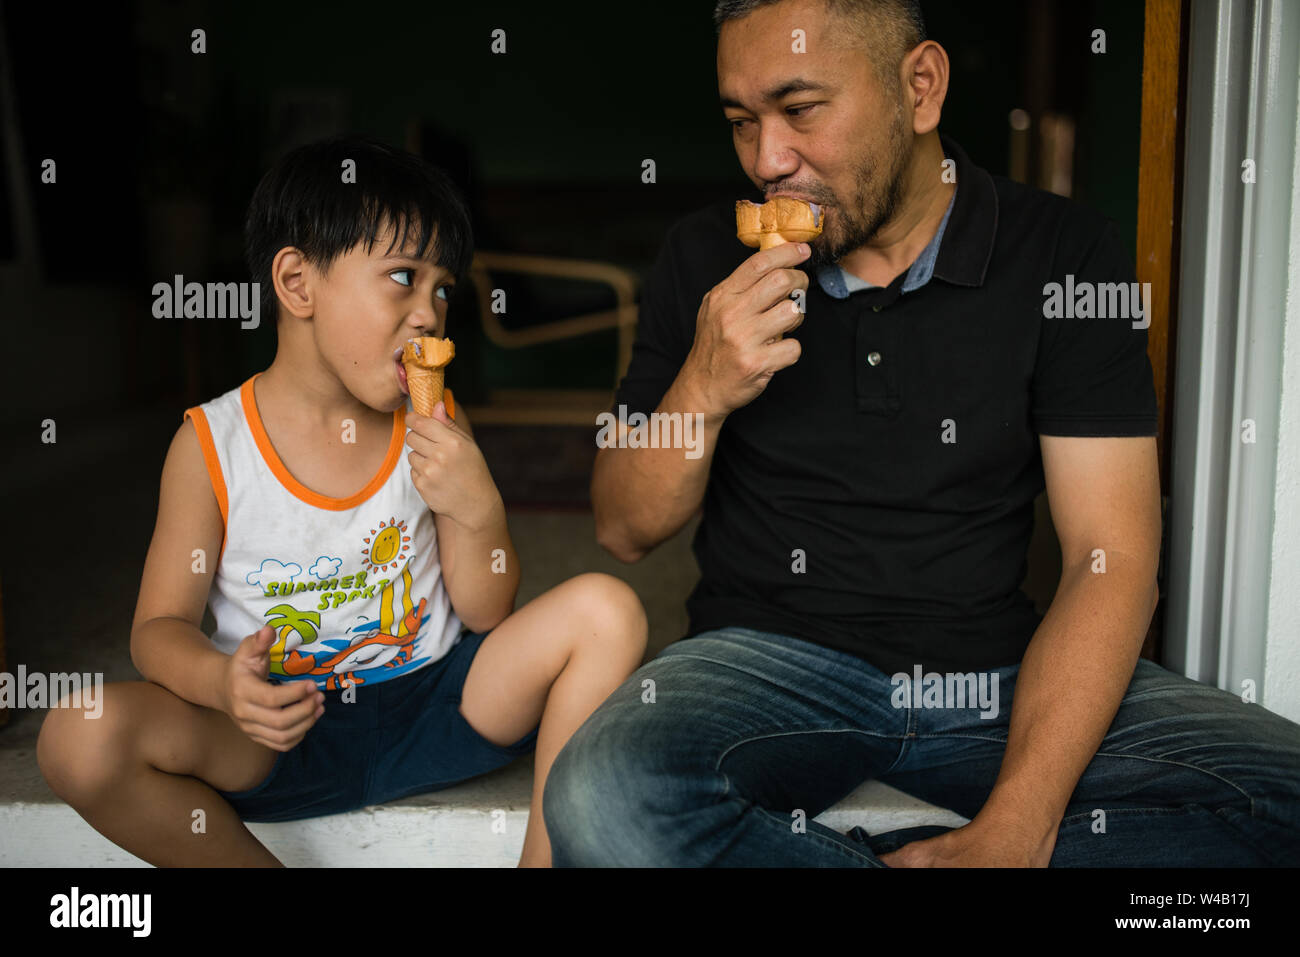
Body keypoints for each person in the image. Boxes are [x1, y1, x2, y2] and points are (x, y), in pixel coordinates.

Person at [542, 0, 1300, 866]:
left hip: (998, 675)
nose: (768, 160)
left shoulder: (1066, 254)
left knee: (1284, 798)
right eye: (741, 122)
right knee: (602, 794)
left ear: (921, 88)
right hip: (756, 666)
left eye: (801, 109)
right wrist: (703, 387)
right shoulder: (703, 253)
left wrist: (1018, 828)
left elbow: (1112, 557)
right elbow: (624, 526)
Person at [37, 135, 647, 867]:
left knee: (608, 609)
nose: (429, 313)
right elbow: (156, 629)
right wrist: (224, 685)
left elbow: (486, 612)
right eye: (402, 276)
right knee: (80, 732)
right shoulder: (209, 447)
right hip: (277, 732)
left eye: (443, 290)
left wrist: (476, 506)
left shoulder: (437, 422)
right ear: (297, 283)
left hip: (439, 706)